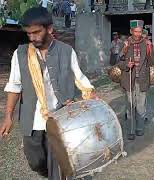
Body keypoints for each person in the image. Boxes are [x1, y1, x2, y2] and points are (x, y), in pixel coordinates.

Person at [0, 7, 95, 180]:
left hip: (60, 119)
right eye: (29, 34)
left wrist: (90, 97)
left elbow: (80, 78)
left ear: (49, 29)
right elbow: (14, 86)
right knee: (35, 162)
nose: (32, 37)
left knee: (58, 166)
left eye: (36, 32)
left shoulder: (66, 51)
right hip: (33, 120)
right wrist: (8, 117)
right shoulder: (20, 54)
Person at [118, 20, 154, 140]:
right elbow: (119, 62)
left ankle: (139, 128)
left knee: (140, 106)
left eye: (140, 31)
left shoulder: (147, 44)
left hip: (143, 79)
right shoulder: (125, 44)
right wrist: (126, 65)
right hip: (129, 78)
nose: (138, 34)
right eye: (135, 31)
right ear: (131, 31)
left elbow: (152, 62)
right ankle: (131, 130)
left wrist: (150, 50)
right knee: (130, 105)